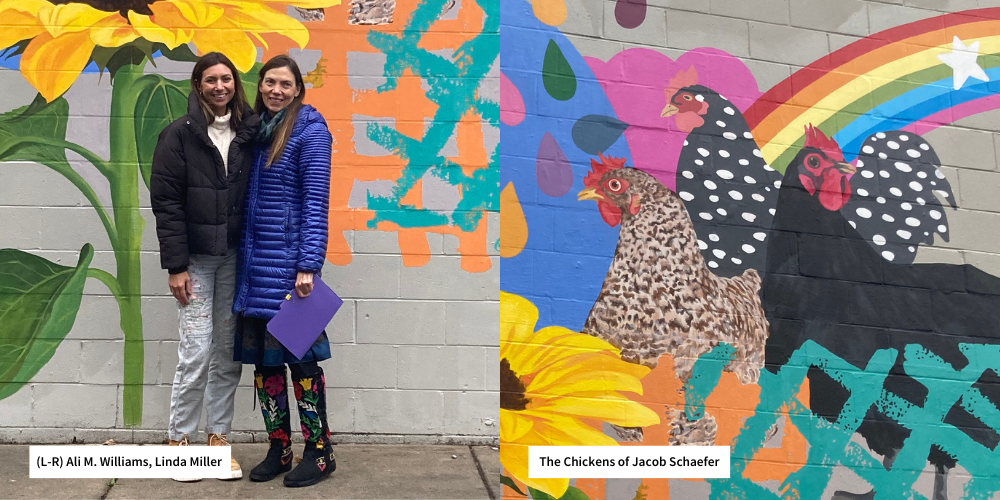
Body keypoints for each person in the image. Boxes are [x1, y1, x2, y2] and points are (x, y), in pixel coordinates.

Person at [150, 52, 260, 482]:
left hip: (234, 259)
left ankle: (218, 439)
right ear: (198, 85)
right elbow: (167, 206)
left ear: (235, 84)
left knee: (227, 354)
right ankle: (179, 441)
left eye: (227, 79)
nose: (220, 86)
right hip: (195, 262)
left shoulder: (248, 134)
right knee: (195, 352)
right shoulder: (177, 136)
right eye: (211, 79)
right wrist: (176, 266)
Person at [232, 54, 335, 488]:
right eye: (270, 82)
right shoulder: (255, 131)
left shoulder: (309, 131)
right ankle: (280, 447)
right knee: (266, 366)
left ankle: (320, 450)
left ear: (298, 90)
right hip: (255, 268)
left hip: (291, 270)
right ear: (260, 85)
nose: (276, 90)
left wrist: (309, 264)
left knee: (303, 363)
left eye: (285, 85)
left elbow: (316, 201)